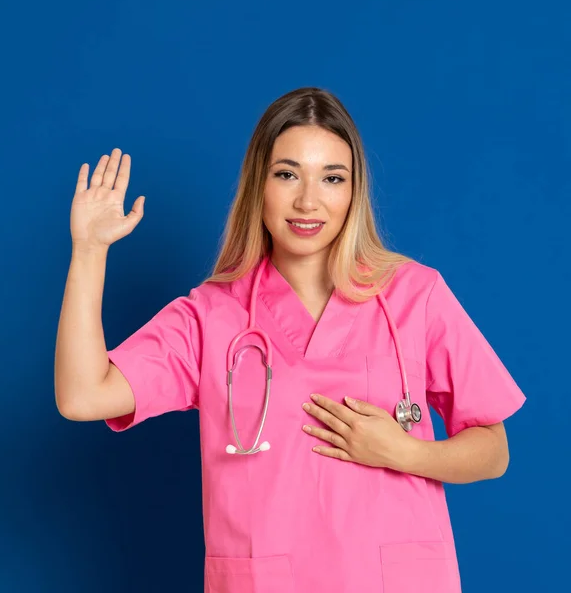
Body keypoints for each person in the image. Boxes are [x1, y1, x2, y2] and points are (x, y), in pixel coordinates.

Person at [54, 87, 526, 593]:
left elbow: (493, 451)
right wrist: (88, 251)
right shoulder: (214, 314)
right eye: (287, 174)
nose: (308, 200)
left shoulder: (415, 296)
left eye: (331, 178)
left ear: (353, 191)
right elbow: (84, 396)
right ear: (259, 184)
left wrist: (404, 453)